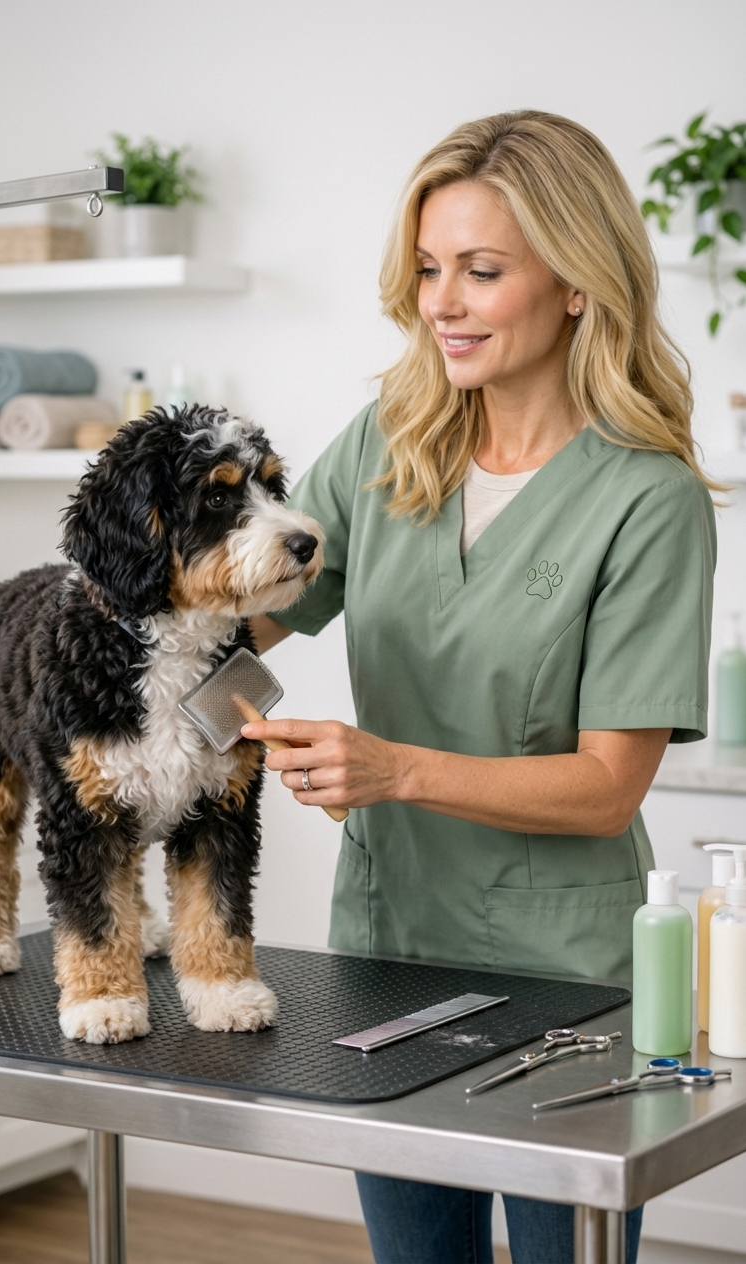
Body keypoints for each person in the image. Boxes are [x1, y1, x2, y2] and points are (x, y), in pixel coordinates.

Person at [243, 110, 716, 1264]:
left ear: (575, 282)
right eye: (427, 269)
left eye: (481, 270)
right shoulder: (384, 445)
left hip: (569, 981)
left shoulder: (647, 499)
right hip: (390, 955)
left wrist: (392, 767)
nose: (439, 302)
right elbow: (240, 614)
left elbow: (609, 788)